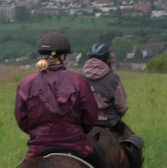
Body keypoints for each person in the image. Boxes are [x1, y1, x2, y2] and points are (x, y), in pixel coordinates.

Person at [15, 32, 108, 168]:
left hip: (38, 146)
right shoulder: (79, 81)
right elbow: (90, 117)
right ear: (63, 56)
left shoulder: (25, 83)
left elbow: (22, 120)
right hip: (75, 144)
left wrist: (38, 133)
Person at [82, 43, 129, 137]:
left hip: (83, 123)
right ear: (107, 59)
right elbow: (122, 106)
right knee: (134, 140)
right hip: (109, 122)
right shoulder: (113, 79)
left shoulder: (78, 76)